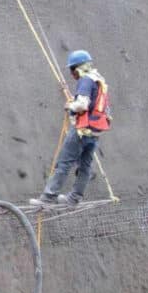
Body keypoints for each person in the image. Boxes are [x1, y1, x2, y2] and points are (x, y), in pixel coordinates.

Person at [30, 50, 111, 206]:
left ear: (77, 68)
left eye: (72, 69)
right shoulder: (98, 80)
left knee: (64, 162)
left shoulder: (85, 81)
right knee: (85, 166)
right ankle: (74, 198)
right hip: (94, 132)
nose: (72, 74)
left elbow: (82, 104)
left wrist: (70, 106)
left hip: (81, 130)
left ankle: (48, 197)